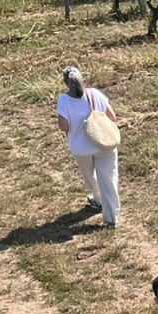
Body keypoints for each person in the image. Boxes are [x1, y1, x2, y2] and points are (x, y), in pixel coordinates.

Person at [56, 66, 120, 228]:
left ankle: (98, 199)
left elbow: (63, 126)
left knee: (89, 176)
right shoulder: (94, 94)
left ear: (65, 82)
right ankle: (112, 218)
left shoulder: (63, 100)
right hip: (104, 142)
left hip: (81, 148)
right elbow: (112, 116)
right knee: (109, 179)